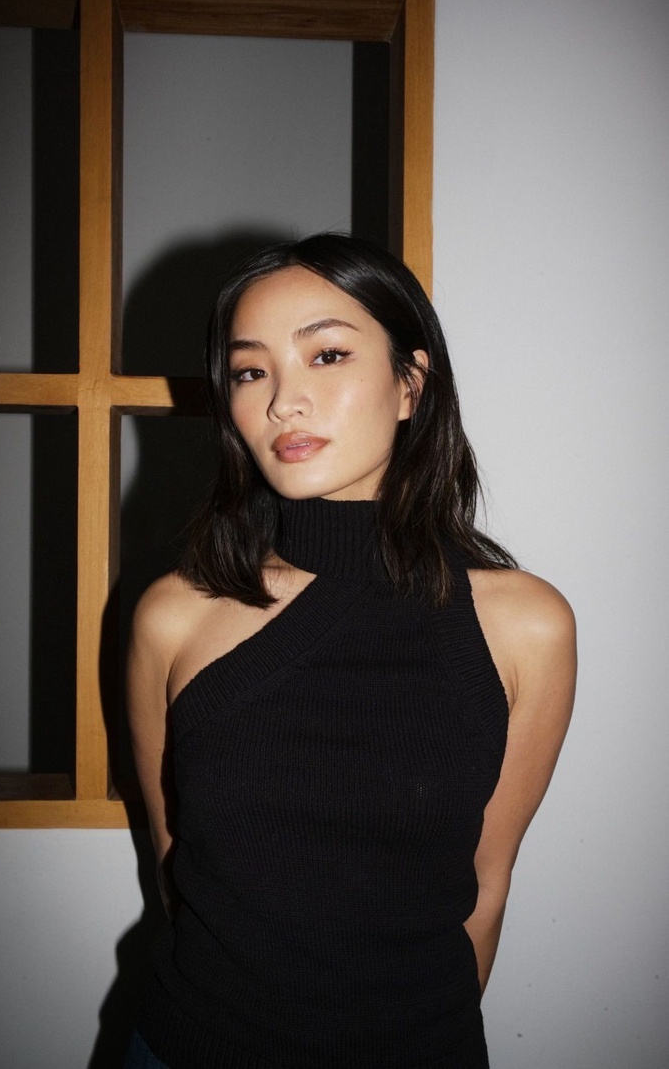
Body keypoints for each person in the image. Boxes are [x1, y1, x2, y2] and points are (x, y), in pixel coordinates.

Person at [124, 233, 576, 1069]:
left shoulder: (525, 626)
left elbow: (486, 885)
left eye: (326, 355)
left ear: (411, 384)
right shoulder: (174, 617)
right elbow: (174, 863)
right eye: (250, 371)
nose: (282, 403)